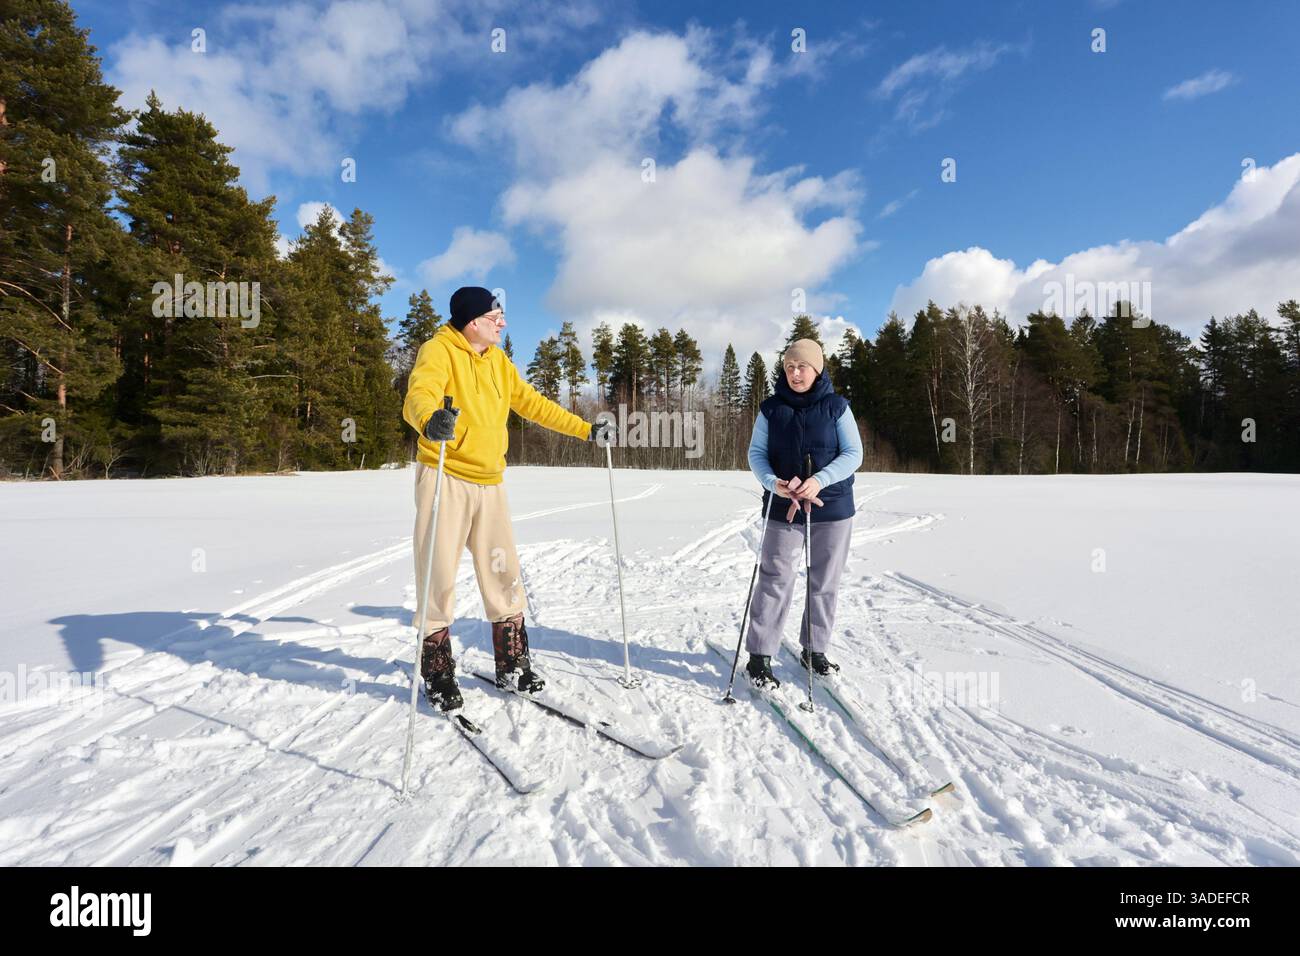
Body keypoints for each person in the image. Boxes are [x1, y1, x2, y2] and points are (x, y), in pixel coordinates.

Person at [402, 286, 613, 710]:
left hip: (491, 481)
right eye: (495, 315)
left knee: (503, 572)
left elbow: (533, 404)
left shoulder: (498, 361)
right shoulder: (438, 350)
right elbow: (418, 394)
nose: (502, 322)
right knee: (438, 573)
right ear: (473, 321)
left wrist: (586, 430)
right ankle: (438, 672)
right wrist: (430, 420)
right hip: (446, 477)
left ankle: (512, 662)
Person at [742, 338, 864, 688]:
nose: (796, 373)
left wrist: (821, 480)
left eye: (803, 366)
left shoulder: (837, 407)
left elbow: (853, 454)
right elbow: (757, 454)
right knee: (775, 577)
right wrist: (771, 482)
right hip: (784, 505)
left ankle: (814, 649)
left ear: (817, 369)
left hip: (834, 505)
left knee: (825, 580)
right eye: (790, 367)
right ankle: (760, 656)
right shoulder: (770, 409)